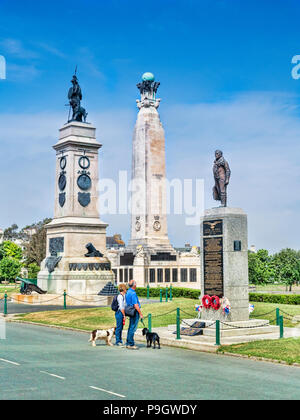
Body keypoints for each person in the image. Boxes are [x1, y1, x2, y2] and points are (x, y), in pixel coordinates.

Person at [125, 279, 143, 350]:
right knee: (133, 328)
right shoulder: (133, 293)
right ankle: (131, 343)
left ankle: (128, 342)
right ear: (134, 285)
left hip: (129, 311)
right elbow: (136, 305)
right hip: (134, 311)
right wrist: (140, 313)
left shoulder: (128, 292)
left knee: (130, 327)